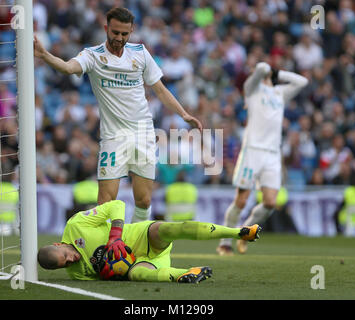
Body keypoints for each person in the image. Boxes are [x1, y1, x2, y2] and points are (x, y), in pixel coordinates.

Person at [33, 7, 202, 223]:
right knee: (105, 201)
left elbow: (159, 89)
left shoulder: (140, 53)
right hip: (113, 137)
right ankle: (105, 251)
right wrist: (45, 55)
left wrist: (184, 114)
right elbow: (68, 68)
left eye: (124, 34)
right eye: (115, 33)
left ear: (131, 32)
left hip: (143, 134)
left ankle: (136, 246)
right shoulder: (93, 56)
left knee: (143, 200)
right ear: (106, 29)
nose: (119, 38)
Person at [37, 199, 261, 283]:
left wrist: (115, 236)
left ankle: (239, 232)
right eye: (65, 264)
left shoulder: (76, 225)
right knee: (138, 276)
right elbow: (106, 279)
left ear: (58, 244)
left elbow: (118, 205)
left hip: (143, 236)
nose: (71, 260)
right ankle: (186, 273)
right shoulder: (76, 273)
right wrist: (113, 273)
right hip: (140, 264)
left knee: (173, 228)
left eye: (65, 256)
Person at [217, 62, 308, 256]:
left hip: (273, 154)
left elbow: (302, 82)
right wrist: (263, 69)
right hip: (253, 152)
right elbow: (260, 69)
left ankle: (244, 232)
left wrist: (278, 72)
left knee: (270, 202)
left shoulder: (279, 93)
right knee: (241, 200)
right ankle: (225, 243)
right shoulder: (251, 89)